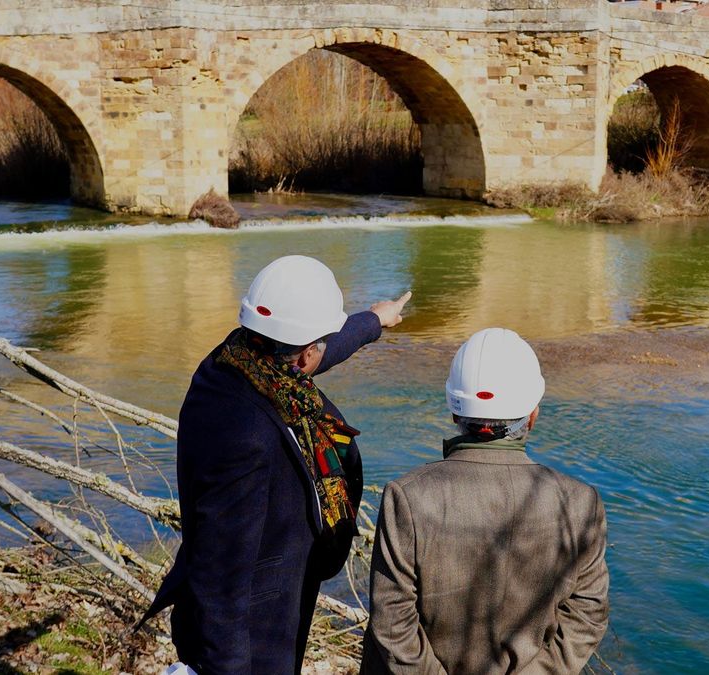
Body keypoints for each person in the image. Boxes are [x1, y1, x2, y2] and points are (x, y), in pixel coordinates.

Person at [144, 255, 411, 674]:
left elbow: (321, 348)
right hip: (252, 633)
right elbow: (221, 573)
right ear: (303, 355)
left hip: (269, 607)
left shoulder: (239, 357)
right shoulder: (244, 434)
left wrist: (373, 321)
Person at [362, 328, 609, 674]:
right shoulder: (581, 504)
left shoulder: (407, 498)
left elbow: (392, 626)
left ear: (454, 412)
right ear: (533, 415)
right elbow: (587, 616)